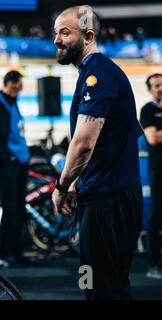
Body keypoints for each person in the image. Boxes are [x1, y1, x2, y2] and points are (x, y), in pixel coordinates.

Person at [51, 6, 143, 299]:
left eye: (65, 32)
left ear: (88, 36)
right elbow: (110, 141)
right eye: (56, 33)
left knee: (100, 286)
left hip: (109, 200)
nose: (57, 40)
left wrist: (62, 185)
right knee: (98, 282)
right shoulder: (93, 74)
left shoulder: (99, 75)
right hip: (103, 194)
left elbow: (84, 144)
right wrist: (79, 182)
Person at [0, 70, 31, 268]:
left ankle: (18, 253)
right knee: (9, 210)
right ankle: (4, 254)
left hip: (20, 163)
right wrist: (6, 157)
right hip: (8, 165)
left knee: (20, 210)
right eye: (19, 83)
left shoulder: (13, 103)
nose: (21, 87)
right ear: (10, 83)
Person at [139, 73, 162, 279]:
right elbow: (152, 138)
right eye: (156, 85)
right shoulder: (147, 110)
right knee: (156, 215)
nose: (160, 88)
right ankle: (154, 264)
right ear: (150, 89)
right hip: (158, 168)